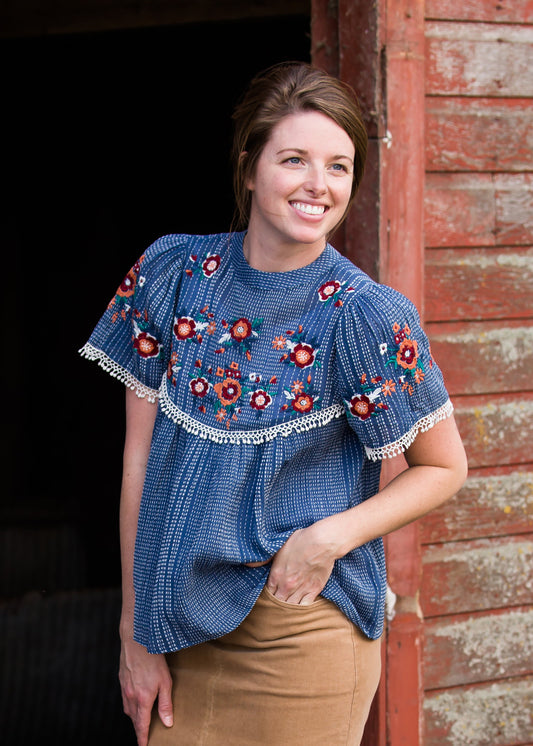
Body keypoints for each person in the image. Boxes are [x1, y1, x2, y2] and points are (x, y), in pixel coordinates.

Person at [80, 61, 467, 746]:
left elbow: (443, 468)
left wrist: (329, 538)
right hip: (179, 628)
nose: (319, 185)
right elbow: (138, 464)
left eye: (339, 167)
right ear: (249, 165)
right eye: (294, 159)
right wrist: (133, 630)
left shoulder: (363, 316)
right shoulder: (172, 274)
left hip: (299, 632)